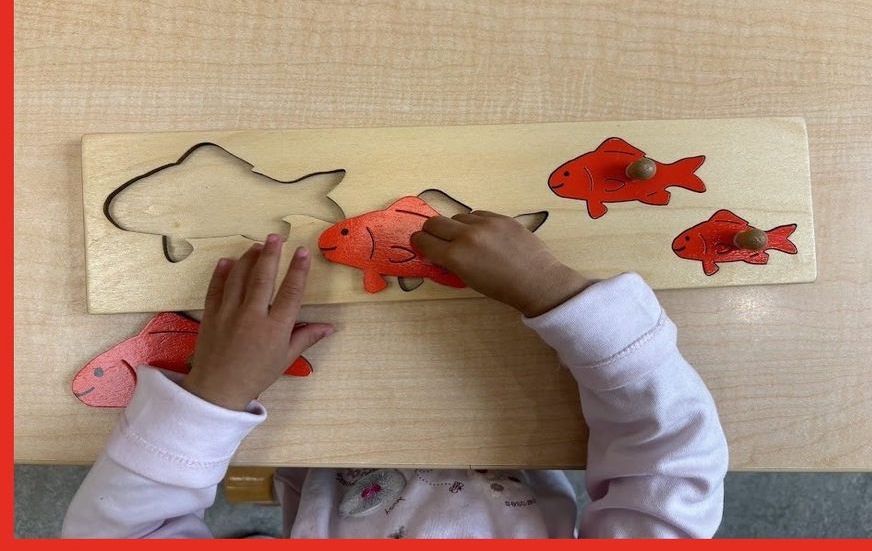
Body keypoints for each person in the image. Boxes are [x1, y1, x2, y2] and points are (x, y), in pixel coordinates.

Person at [62, 210, 728, 538]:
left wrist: (215, 393)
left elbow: (118, 532)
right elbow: (673, 468)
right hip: (507, 397)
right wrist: (559, 295)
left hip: (315, 416)